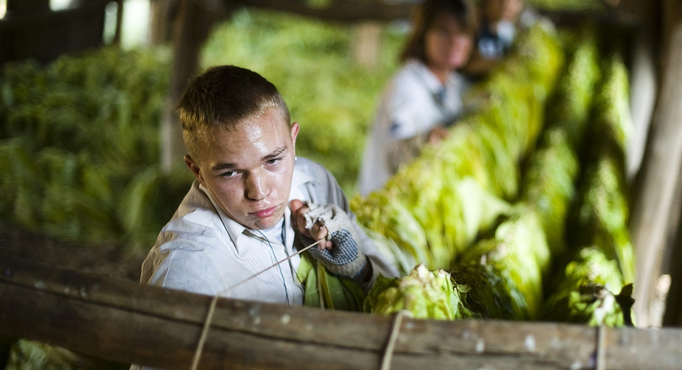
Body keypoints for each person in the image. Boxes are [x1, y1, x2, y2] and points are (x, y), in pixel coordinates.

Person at [138, 65, 399, 306]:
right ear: (198, 171)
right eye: (230, 173)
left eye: (273, 160)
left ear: (293, 141)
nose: (259, 192)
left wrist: (358, 268)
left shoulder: (315, 183)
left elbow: (396, 287)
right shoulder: (185, 270)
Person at [358, 0, 478, 195]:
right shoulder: (405, 86)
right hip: (388, 206)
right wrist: (425, 140)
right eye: (444, 32)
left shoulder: (455, 85)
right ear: (423, 35)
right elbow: (394, 154)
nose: (455, 41)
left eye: (463, 33)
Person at [461, 0, 524, 79]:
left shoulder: (507, 30)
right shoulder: (471, 21)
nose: (506, 5)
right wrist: (504, 62)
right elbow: (466, 66)